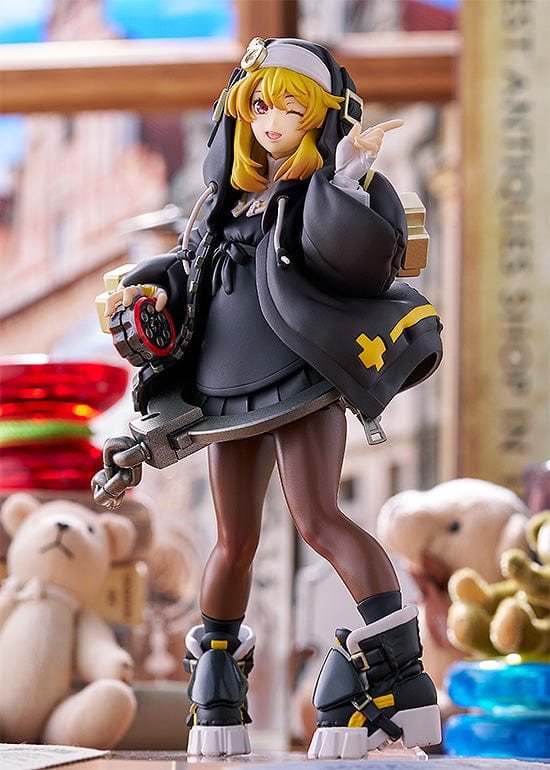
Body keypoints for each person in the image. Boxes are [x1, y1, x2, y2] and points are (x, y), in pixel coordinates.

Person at [102, 37, 442, 758]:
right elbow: (187, 271)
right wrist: (147, 292)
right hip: (222, 390)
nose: (272, 120)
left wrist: (349, 174)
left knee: (319, 518)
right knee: (234, 541)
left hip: (302, 375)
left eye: (292, 107)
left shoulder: (318, 194)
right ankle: (217, 680)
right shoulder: (219, 205)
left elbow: (356, 256)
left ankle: (399, 676)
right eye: (260, 105)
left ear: (319, 116)